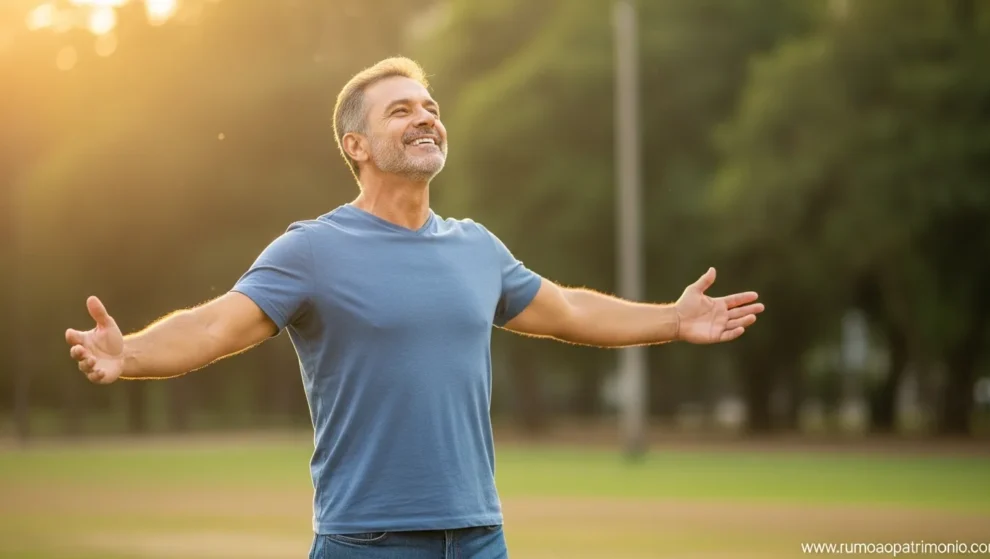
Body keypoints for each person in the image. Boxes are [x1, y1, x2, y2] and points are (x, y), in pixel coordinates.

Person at [64, 57, 764, 559]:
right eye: (401, 110)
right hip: (369, 540)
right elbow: (217, 324)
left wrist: (673, 320)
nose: (425, 117)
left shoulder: (477, 247)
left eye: (430, 108)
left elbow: (572, 312)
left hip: (479, 535)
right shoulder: (312, 248)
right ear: (357, 146)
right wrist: (131, 354)